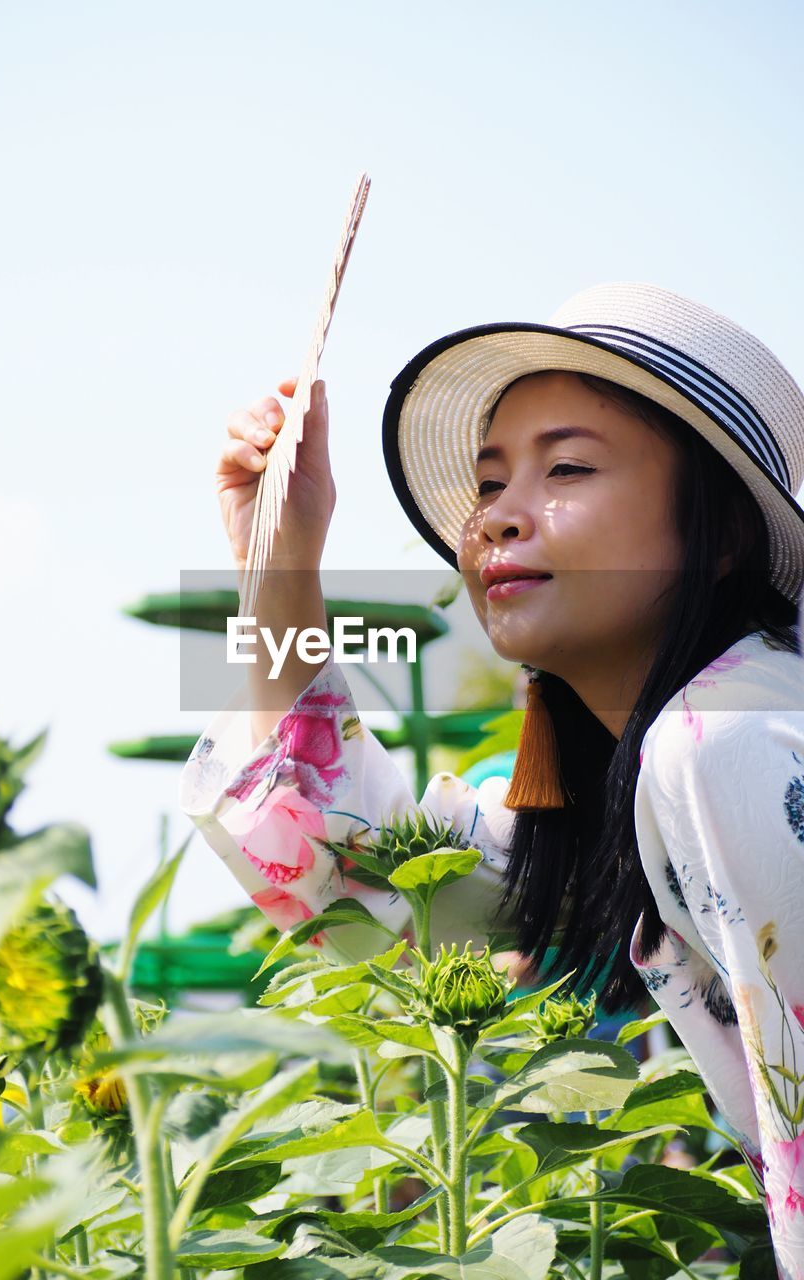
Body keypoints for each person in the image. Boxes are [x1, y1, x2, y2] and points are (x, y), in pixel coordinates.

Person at [179, 281, 804, 1278]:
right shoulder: (635, 780)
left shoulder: (727, 745)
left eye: (565, 467)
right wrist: (279, 563)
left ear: (721, 531)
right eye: (488, 482)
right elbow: (355, 873)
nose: (502, 517)